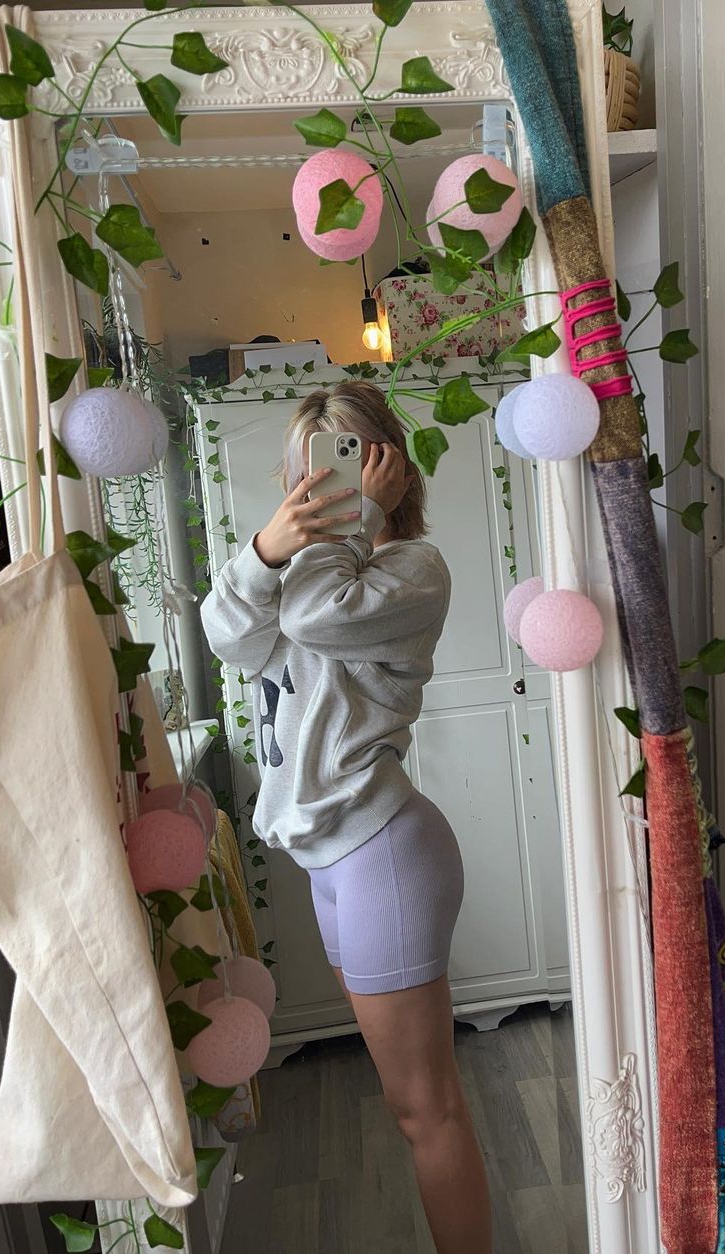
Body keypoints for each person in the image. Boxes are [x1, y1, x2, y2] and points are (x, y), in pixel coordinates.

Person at [201, 382, 490, 1254]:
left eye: (349, 460)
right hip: (333, 861)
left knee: (424, 1108)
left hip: (381, 852)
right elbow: (228, 635)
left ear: (390, 468)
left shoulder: (412, 569)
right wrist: (264, 549)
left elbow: (315, 617)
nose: (326, 485)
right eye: (311, 468)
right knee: (416, 1102)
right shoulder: (297, 572)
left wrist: (359, 522)